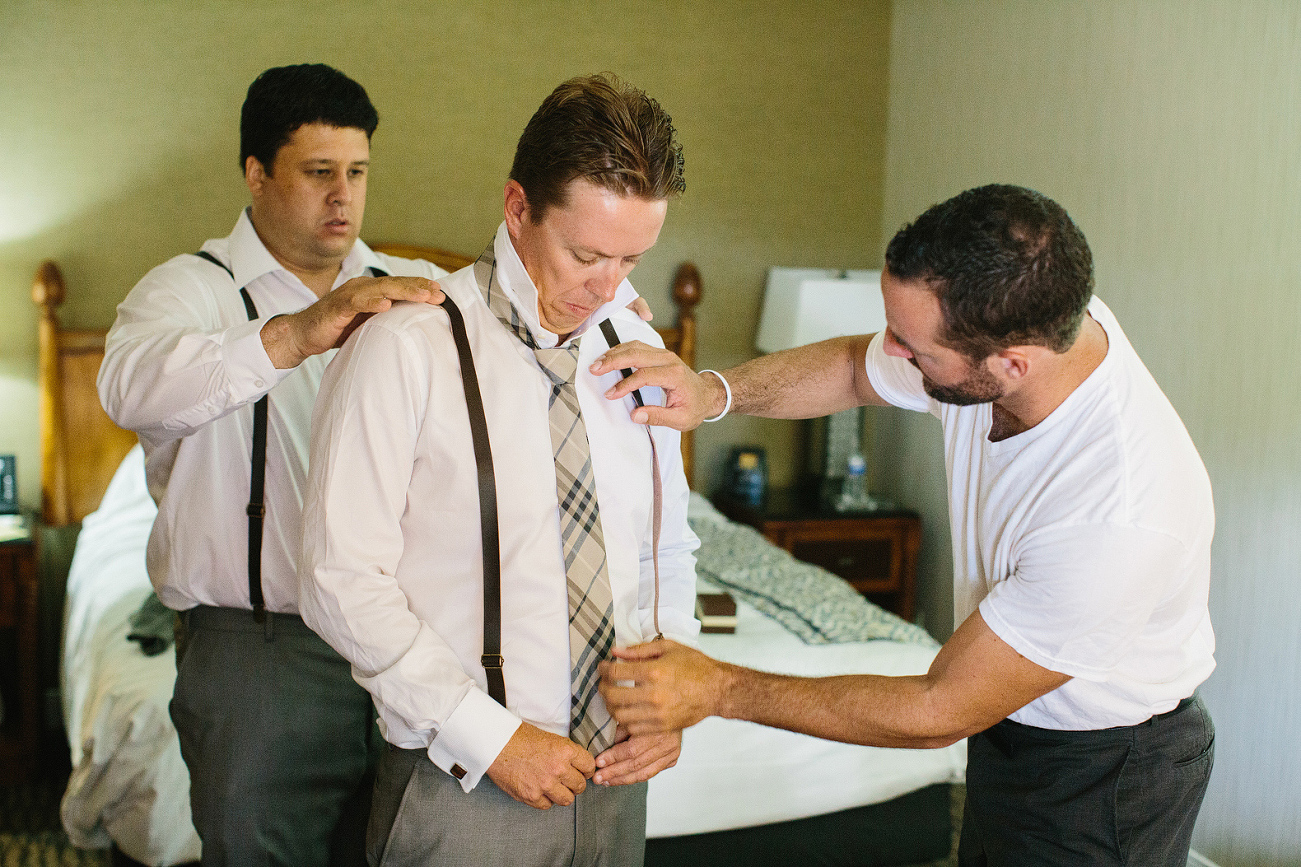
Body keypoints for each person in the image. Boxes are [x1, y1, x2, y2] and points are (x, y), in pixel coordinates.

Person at [595, 184, 1216, 866]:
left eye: (914, 347)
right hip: (1009, 732)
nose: (892, 349)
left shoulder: (1116, 514)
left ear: (1009, 364)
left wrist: (718, 686)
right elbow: (851, 368)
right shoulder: (1033, 320)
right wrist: (714, 393)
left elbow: (937, 708)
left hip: (1103, 773)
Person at [298, 73, 699, 867]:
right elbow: (337, 576)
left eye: (631, 258)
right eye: (585, 253)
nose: (608, 287)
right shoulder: (404, 346)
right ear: (518, 208)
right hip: (467, 782)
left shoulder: (638, 351)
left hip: (621, 777)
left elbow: (666, 546)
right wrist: (492, 736)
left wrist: (674, 695)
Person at [97, 63, 450, 866]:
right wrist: (296, 332)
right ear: (256, 174)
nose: (343, 197)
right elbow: (127, 388)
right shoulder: (186, 290)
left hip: (411, 642)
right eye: (319, 172)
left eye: (356, 172)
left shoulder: (419, 291)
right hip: (258, 652)